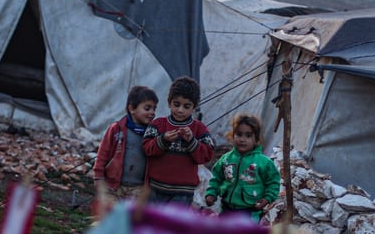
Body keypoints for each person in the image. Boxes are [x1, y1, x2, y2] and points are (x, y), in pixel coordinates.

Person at [142, 76, 215, 205]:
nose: (180, 110)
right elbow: (147, 148)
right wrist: (163, 139)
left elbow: (206, 156)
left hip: (183, 192)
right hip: (156, 189)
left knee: (173, 225)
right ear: (169, 102)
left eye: (186, 106)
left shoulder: (199, 129)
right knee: (154, 224)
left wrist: (192, 141)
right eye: (176, 104)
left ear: (194, 107)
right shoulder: (158, 125)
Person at [204, 113, 281, 221]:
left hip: (250, 211)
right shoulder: (226, 159)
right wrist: (211, 193)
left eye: (248, 135)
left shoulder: (263, 162)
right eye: (239, 134)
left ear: (256, 139)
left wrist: (266, 198)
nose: (242, 139)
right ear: (232, 135)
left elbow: (273, 182)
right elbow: (216, 178)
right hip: (227, 208)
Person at [93, 85, 159, 202]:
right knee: (111, 215)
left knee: (131, 218)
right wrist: (98, 177)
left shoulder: (152, 134)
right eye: (147, 108)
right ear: (132, 108)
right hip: (113, 186)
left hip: (138, 188)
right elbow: (103, 154)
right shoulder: (116, 129)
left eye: (154, 109)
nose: (152, 113)